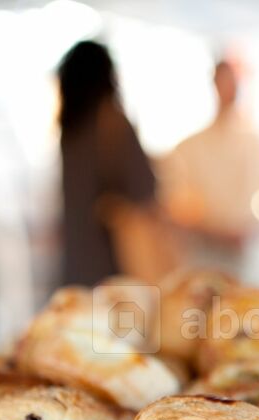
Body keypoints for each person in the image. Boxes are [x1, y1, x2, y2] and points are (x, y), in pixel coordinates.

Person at [57, 41, 174, 285]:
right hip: (114, 269)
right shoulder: (112, 124)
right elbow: (146, 191)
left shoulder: (71, 131)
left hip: (77, 266)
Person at [161, 60, 259, 278]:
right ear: (214, 84)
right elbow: (176, 207)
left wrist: (250, 231)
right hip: (203, 262)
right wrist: (213, 232)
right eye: (223, 82)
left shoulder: (257, 145)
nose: (228, 90)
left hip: (246, 264)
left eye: (232, 83)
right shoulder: (189, 148)